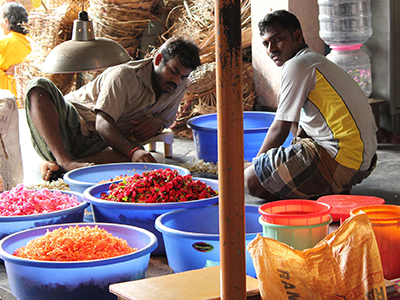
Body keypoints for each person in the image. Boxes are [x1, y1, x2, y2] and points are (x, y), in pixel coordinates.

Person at [244, 10, 377, 201]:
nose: (271, 49)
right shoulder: (315, 61)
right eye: (266, 43)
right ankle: (327, 186)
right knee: (287, 102)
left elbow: (279, 129)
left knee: (251, 180)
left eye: (278, 39)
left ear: (297, 36)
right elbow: (292, 123)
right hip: (361, 162)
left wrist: (258, 165)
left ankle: (324, 186)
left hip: (342, 161)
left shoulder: (297, 65)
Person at [25, 36, 201, 181]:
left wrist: (156, 123)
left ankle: (63, 166)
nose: (177, 81)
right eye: (173, 71)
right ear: (158, 60)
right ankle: (62, 159)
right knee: (39, 86)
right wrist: (132, 150)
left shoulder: (179, 85)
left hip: (98, 145)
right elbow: (103, 124)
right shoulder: (125, 76)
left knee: (140, 160)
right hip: (67, 129)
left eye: (183, 76)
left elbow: (165, 121)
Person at [0, 2, 31, 98]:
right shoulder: (32, 41)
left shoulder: (4, 42)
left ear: (7, 22)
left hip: (8, 99)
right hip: (28, 97)